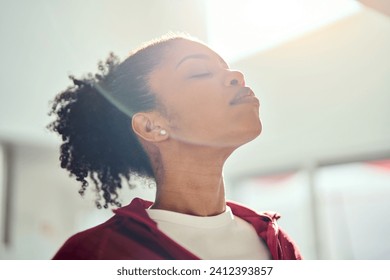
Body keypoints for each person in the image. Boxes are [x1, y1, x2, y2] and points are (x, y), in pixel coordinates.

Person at [48, 33, 302, 260]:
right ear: (150, 126)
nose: (237, 76)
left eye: (227, 68)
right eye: (200, 72)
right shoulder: (95, 254)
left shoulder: (278, 244)